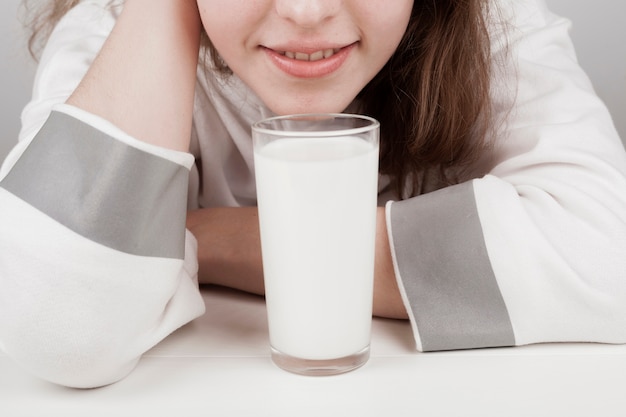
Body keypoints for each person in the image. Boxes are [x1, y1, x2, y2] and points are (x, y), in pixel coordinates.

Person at [1, 0, 625, 388]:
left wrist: (202, 236)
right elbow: (58, 325)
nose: (305, 10)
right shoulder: (112, 40)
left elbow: (611, 256)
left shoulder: (493, 24)